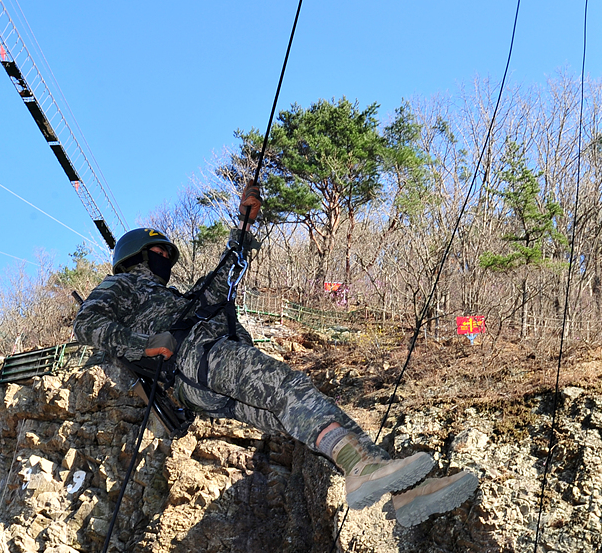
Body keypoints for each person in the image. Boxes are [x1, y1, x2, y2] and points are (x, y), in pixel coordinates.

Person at [73, 186, 478, 527]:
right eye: (158, 252)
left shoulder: (169, 299)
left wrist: (244, 227)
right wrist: (141, 346)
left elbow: (218, 288)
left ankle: (400, 490)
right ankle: (363, 470)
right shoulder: (122, 284)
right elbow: (86, 323)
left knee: (299, 411)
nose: (165, 258)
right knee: (291, 388)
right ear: (139, 257)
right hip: (196, 360)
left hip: (204, 373)